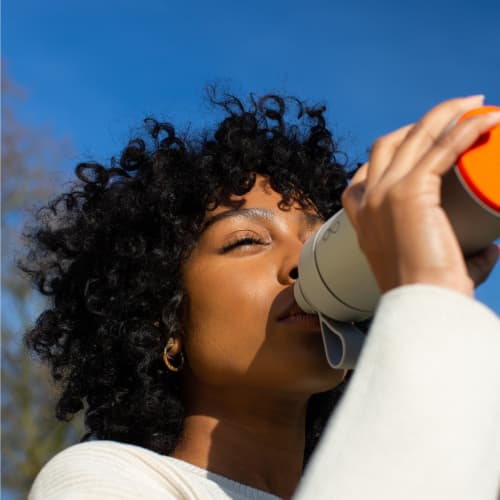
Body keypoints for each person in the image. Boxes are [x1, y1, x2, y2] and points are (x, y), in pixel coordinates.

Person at [23, 92, 500, 499]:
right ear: (163, 320)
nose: (299, 263)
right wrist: (428, 299)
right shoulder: (102, 478)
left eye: (320, 242)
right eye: (246, 241)